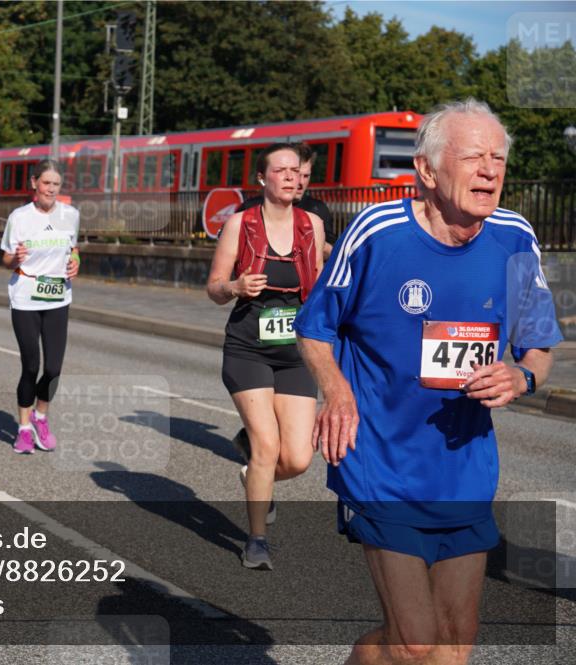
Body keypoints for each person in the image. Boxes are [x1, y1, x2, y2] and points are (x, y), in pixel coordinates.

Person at [294, 99, 562, 664]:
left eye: (498, 158)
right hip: (379, 460)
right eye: (473, 157)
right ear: (428, 170)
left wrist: (520, 376)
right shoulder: (378, 231)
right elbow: (315, 327)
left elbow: (538, 347)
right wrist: (337, 391)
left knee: (454, 639)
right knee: (415, 641)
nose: (490, 170)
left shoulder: (514, 238)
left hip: (464, 466)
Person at [207, 143, 325, 570]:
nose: (292, 177)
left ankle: (253, 477)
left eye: (297, 171)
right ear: (262, 178)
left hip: (295, 351)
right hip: (247, 348)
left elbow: (319, 291)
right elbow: (214, 287)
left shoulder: (312, 225)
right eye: (282, 170)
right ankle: (256, 540)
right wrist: (235, 287)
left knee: (296, 458)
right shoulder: (240, 225)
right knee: (267, 444)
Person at [1, 159, 81, 454]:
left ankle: (41, 416)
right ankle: (23, 428)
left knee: (54, 368)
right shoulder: (19, 217)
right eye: (46, 183)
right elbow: (6, 259)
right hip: (25, 295)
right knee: (31, 364)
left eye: (56, 184)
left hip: (59, 296)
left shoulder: (70, 215)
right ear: (35, 183)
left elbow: (74, 249)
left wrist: (75, 264)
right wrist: (16, 258)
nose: (50, 189)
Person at [237, 142, 336, 257]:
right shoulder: (248, 210)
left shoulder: (317, 210)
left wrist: (313, 240)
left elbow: (334, 254)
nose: (301, 182)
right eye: (297, 174)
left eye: (306, 176)